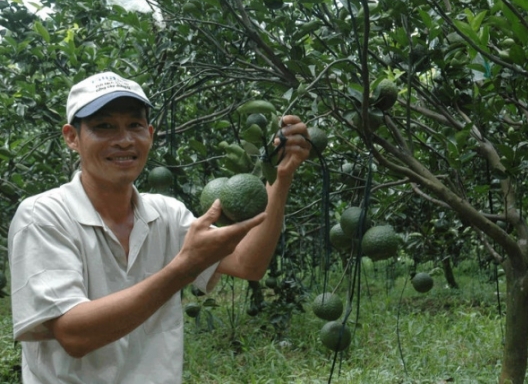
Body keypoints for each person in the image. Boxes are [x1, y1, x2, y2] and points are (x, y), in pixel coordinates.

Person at [7, 72, 310, 383]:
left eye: (135, 126)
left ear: (149, 134)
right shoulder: (43, 216)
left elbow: (248, 263)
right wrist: (184, 267)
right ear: (72, 137)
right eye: (104, 127)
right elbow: (74, 334)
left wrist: (282, 175)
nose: (124, 139)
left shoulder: (166, 213)